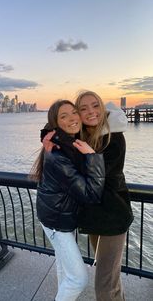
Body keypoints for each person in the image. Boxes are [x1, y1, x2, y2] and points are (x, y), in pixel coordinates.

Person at [42, 91, 134, 301]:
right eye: (83, 109)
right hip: (95, 220)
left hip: (112, 218)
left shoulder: (114, 138)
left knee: (104, 285)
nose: (91, 112)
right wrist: (50, 139)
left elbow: (92, 180)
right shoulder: (85, 137)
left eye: (95, 106)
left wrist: (69, 156)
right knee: (110, 278)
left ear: (102, 108)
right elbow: (62, 131)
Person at [31, 99, 105, 301]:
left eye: (74, 113)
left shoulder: (65, 144)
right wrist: (93, 156)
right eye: (64, 116)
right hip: (57, 222)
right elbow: (91, 194)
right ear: (56, 123)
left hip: (60, 215)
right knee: (78, 279)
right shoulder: (58, 154)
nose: (72, 118)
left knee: (65, 270)